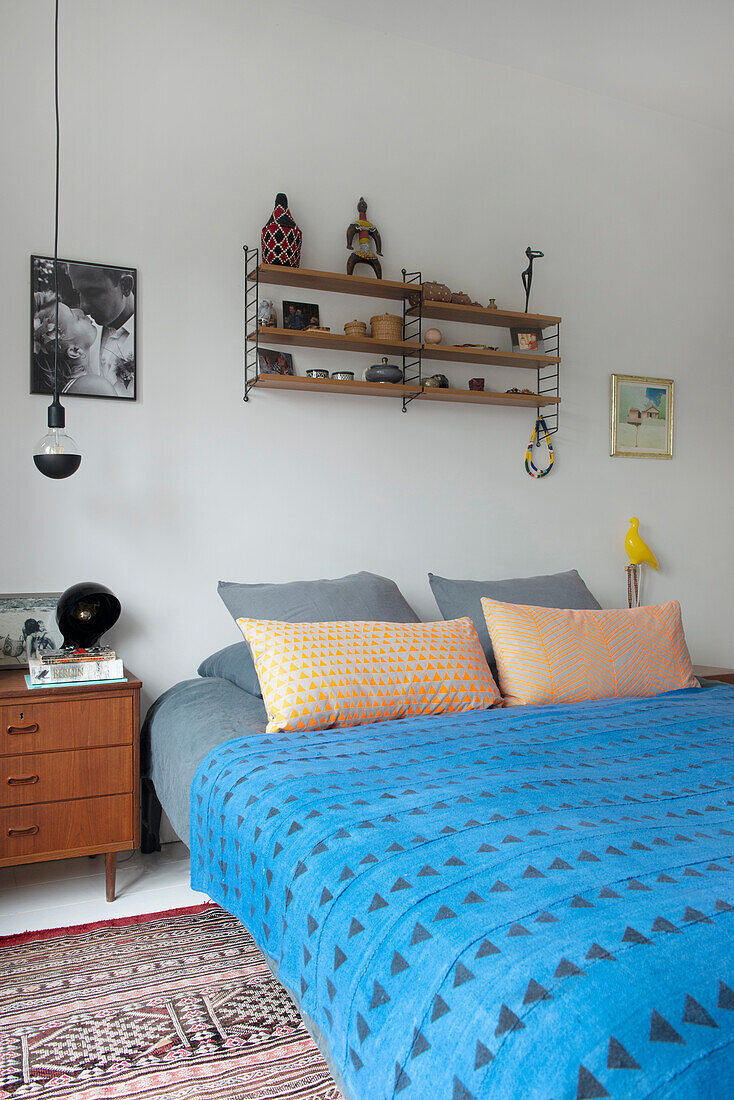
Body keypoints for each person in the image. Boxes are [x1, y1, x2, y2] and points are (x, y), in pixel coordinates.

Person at [67, 264, 135, 397]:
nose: (83, 305)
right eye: (78, 293)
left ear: (125, 286)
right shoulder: (81, 336)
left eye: (93, 293)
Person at [33, 290, 116, 396]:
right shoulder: (94, 386)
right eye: (76, 318)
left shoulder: (74, 386)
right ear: (74, 351)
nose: (81, 312)